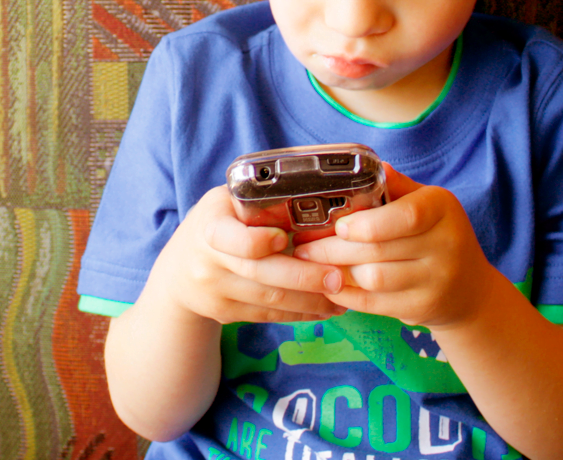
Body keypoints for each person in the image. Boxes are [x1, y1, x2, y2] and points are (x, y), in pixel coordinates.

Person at [77, 0, 563, 458]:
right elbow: (151, 416)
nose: (353, 21)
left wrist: (474, 306)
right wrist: (179, 297)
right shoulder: (192, 78)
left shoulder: (542, 97)